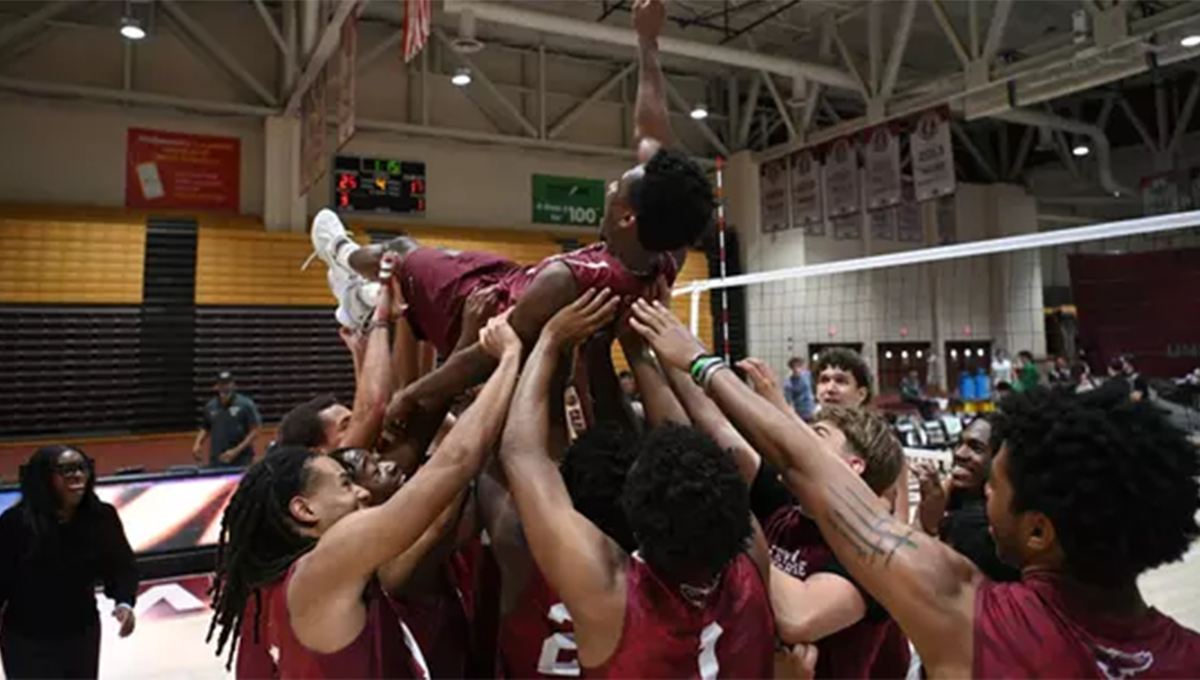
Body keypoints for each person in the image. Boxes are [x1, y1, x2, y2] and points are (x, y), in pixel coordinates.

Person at [628, 300, 1200, 679]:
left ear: (1039, 529)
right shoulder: (1188, 656)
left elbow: (809, 471)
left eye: (995, 486)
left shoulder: (978, 615)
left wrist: (701, 363)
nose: (980, 491)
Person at [311, 0, 715, 430]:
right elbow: (653, 138)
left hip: (476, 313)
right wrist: (647, 42)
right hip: (512, 278)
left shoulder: (571, 280)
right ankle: (363, 296)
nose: (611, 185)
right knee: (408, 269)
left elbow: (487, 355)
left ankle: (342, 255)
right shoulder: (665, 254)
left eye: (619, 185)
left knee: (402, 250)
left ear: (628, 218)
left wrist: (412, 396)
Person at [205, 313, 524, 678]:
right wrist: (510, 357)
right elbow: (454, 463)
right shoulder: (327, 561)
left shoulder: (280, 582)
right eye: (344, 484)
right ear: (305, 509)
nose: (361, 493)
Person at [498, 288, 774, 677]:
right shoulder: (750, 552)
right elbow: (687, 444)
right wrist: (636, 349)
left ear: (636, 514)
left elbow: (522, 455)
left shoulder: (610, 593)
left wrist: (550, 340)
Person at [0, 445, 138, 679]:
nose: (76, 475)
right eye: (65, 469)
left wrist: (124, 601)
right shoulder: (15, 523)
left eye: (81, 468)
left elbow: (121, 564)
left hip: (81, 630)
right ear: (43, 478)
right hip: (27, 637)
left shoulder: (101, 517)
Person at [913, 416, 1018, 583]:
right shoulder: (961, 499)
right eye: (959, 443)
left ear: (1001, 459)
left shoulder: (975, 526)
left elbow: (928, 579)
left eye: (976, 448)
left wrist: (930, 525)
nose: (959, 453)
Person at [193, 372, 262, 468]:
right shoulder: (210, 406)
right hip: (217, 459)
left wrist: (236, 451)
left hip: (241, 460)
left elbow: (256, 430)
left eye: (227, 383)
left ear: (233, 385)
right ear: (216, 386)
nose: (225, 387)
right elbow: (205, 427)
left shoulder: (245, 404)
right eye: (222, 384)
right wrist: (198, 443)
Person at [785, 357, 817, 421]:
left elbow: (813, 386)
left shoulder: (807, 375)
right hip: (800, 414)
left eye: (799, 366)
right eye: (795, 366)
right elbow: (788, 402)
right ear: (791, 368)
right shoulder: (788, 383)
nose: (797, 369)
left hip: (812, 410)